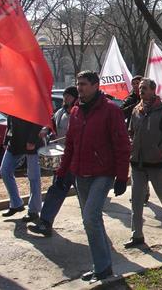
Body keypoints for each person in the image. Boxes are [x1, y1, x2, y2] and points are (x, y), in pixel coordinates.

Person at [56, 70, 130, 283]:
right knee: (92, 220)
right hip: (80, 174)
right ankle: (103, 266)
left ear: (96, 85)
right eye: (78, 84)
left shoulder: (111, 111)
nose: (79, 88)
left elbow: (122, 146)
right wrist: (62, 173)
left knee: (90, 217)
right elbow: (70, 145)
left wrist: (122, 177)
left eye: (84, 84)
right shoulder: (76, 111)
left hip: (102, 173)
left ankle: (103, 266)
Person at [124, 78, 162, 248]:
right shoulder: (136, 110)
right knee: (136, 199)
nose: (141, 91)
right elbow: (131, 131)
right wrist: (131, 144)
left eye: (144, 88)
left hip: (157, 161)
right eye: (139, 88)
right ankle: (137, 235)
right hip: (137, 161)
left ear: (153, 90)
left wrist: (160, 150)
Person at [29, 86, 78, 236]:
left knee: (85, 195)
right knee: (57, 188)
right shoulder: (60, 112)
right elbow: (50, 124)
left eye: (69, 96)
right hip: (63, 158)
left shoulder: (80, 112)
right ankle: (45, 222)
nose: (65, 98)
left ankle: (94, 225)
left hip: (79, 158)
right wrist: (46, 129)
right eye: (65, 96)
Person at [0, 116, 43, 221]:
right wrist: (6, 141)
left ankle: (34, 211)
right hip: (14, 144)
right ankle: (16, 204)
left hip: (32, 144)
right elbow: (10, 123)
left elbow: (38, 121)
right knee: (5, 170)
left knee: (33, 177)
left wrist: (32, 140)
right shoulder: (12, 102)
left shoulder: (33, 102)